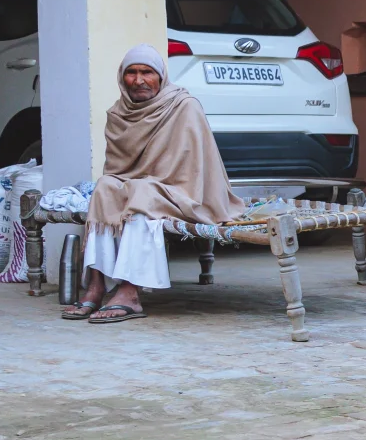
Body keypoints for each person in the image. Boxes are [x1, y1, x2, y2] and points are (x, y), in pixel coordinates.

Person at [66, 44, 239, 323]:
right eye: (131, 73)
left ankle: (129, 292)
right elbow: (118, 170)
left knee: (141, 194)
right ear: (122, 78)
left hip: (185, 190)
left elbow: (192, 169)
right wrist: (131, 184)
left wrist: (142, 184)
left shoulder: (184, 106)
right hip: (142, 187)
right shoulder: (119, 113)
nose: (139, 80)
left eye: (147, 72)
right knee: (105, 188)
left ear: (160, 76)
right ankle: (96, 286)